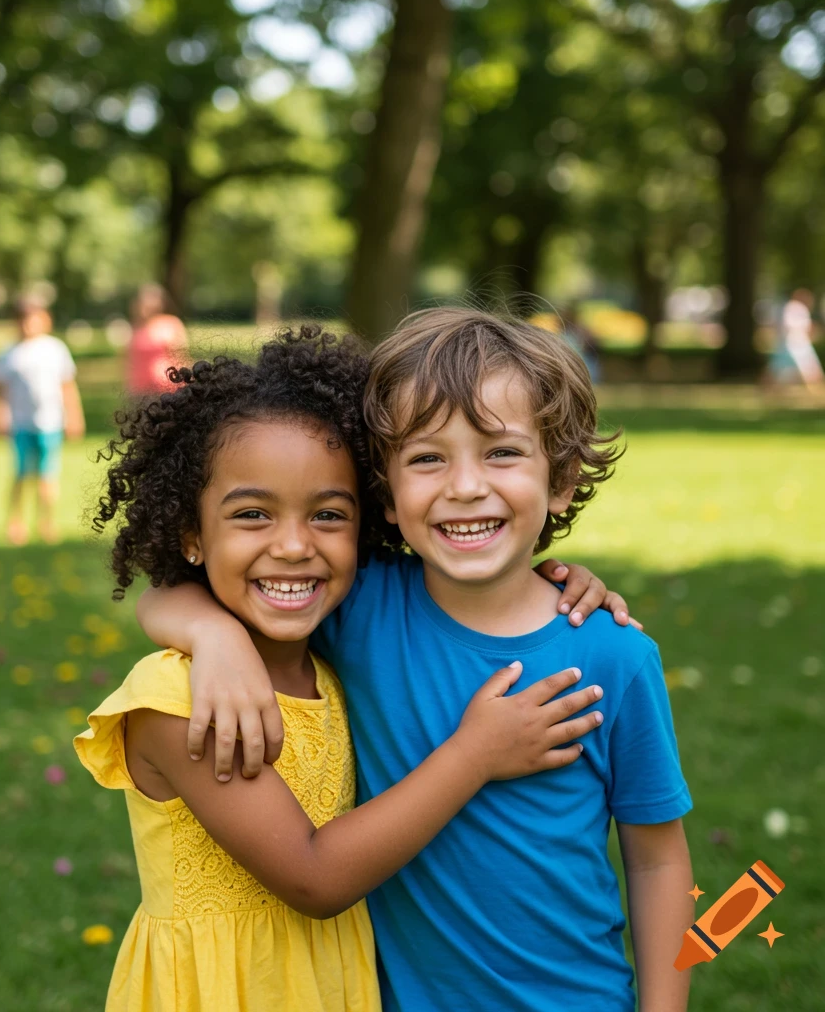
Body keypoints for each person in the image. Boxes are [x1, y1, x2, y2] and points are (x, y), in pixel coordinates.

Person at [138, 308, 691, 1012]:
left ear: (561, 480)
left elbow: (659, 857)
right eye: (428, 458)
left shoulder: (615, 655)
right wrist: (211, 636)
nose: (464, 486)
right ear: (387, 493)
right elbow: (177, 589)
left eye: (501, 453)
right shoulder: (358, 606)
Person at [0, 299, 85, 544]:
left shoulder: (55, 350)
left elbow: (67, 386)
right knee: (21, 474)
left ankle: (46, 522)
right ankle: (15, 522)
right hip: (21, 424)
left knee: (47, 475)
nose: (28, 325)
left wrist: (74, 415)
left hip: (50, 423)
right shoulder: (8, 354)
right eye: (23, 320)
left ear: (45, 320)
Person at [126, 283, 189, 397]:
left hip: (166, 387)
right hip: (139, 389)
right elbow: (129, 359)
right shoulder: (136, 326)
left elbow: (181, 357)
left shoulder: (171, 324)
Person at [767, 288, 824, 389]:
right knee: (809, 367)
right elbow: (796, 327)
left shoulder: (791, 307)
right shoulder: (796, 308)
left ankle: (816, 388)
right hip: (797, 344)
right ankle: (816, 389)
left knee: (775, 368)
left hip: (791, 343)